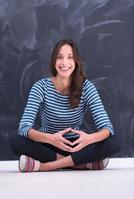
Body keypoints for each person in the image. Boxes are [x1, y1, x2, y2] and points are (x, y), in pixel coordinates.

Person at [10, 39, 120, 172]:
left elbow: (107, 129)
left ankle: (46, 166)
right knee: (16, 141)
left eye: (70, 57)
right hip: (48, 144)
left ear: (76, 62)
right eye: (59, 57)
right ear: (53, 61)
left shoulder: (87, 87)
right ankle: (83, 164)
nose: (65, 63)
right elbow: (24, 128)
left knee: (115, 142)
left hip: (77, 145)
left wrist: (88, 139)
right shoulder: (40, 87)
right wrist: (51, 139)